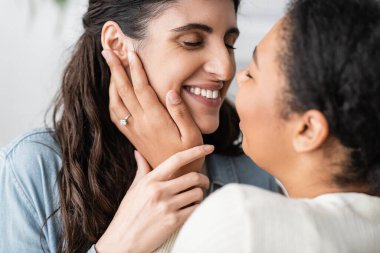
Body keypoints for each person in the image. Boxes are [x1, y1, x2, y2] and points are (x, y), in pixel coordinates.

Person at [0, 0, 278, 253]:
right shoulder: (33, 170)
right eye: (192, 41)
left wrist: (182, 181)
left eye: (229, 44)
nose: (226, 68)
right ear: (118, 45)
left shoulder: (256, 175)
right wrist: (119, 246)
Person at [168, 0, 380, 251]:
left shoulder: (244, 221)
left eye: (252, 74)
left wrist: (179, 182)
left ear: (307, 130)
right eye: (193, 42)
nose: (231, 73)